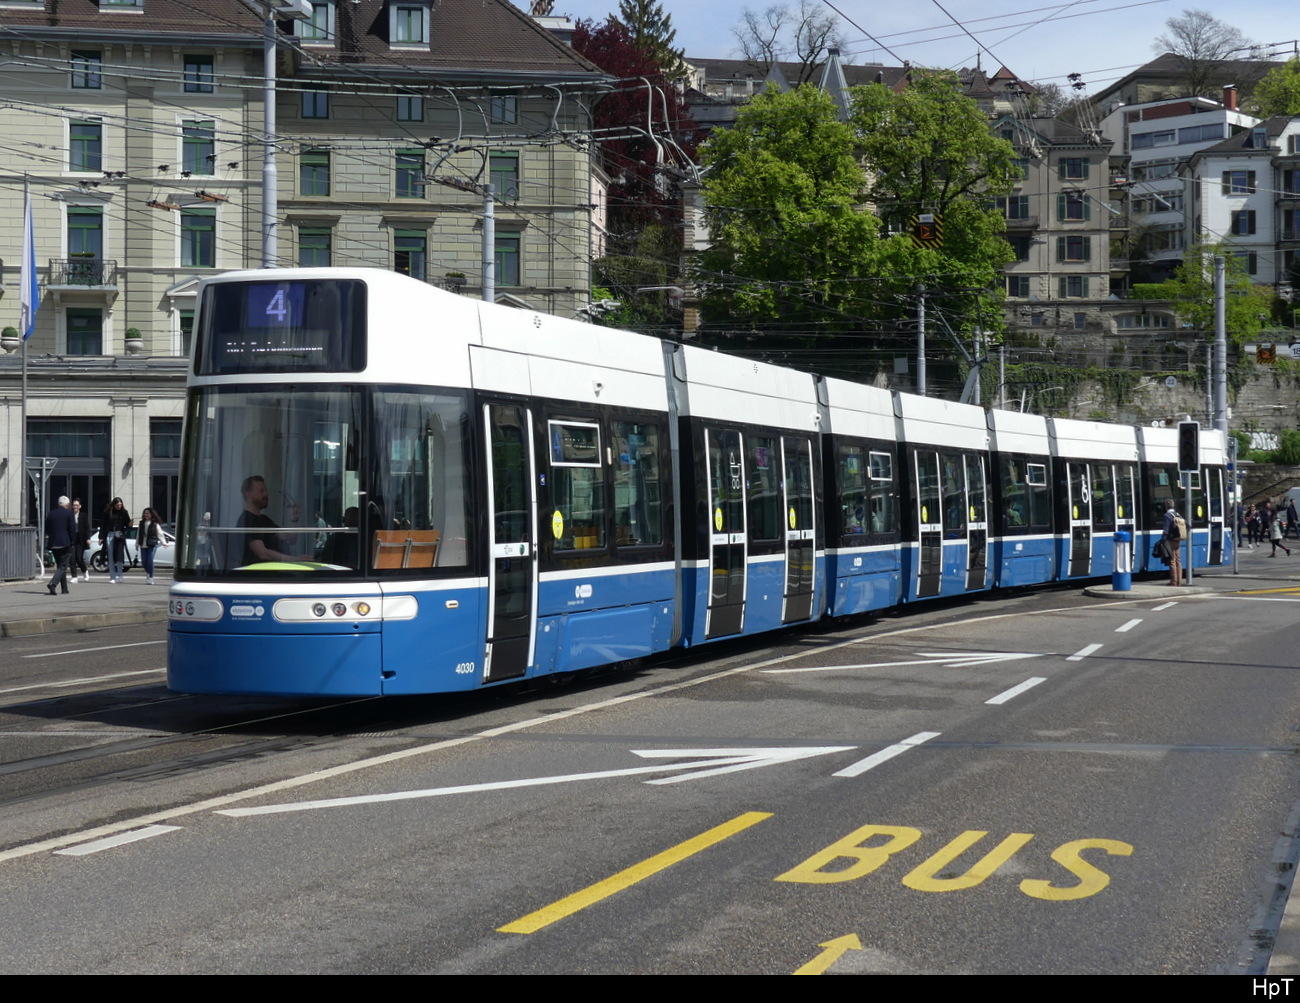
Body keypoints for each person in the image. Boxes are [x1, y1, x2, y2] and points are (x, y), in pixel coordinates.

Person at [236, 475, 301, 565]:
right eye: (261, 491)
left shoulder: (265, 520)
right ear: (248, 495)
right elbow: (263, 553)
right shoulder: (246, 521)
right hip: (256, 576)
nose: (266, 494)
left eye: (266, 491)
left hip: (274, 572)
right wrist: (293, 559)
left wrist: (293, 519)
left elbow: (290, 538)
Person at [45, 495, 77, 596]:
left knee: (60, 565)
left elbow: (47, 529)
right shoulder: (69, 513)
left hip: (53, 543)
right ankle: (53, 584)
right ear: (67, 505)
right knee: (63, 566)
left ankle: (64, 589)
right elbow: (72, 529)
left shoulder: (51, 514)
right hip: (65, 543)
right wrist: (73, 541)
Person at [100, 497, 132, 583]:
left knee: (119, 556)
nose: (119, 506)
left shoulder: (124, 513)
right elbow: (103, 525)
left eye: (120, 505)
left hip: (119, 535)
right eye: (117, 505)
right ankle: (112, 576)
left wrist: (130, 524)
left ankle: (120, 574)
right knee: (110, 556)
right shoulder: (108, 513)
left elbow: (127, 524)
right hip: (110, 535)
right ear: (114, 505)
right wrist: (101, 537)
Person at [137, 506, 163, 584]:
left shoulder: (155, 524)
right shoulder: (141, 523)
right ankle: (148, 572)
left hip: (152, 544)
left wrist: (164, 542)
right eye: (145, 513)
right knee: (144, 562)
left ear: (151, 514)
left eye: (147, 513)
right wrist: (136, 544)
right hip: (143, 544)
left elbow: (160, 533)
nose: (146, 515)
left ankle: (151, 577)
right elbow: (138, 534)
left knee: (150, 560)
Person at [1162, 497, 1185, 586]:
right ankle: (1179, 581)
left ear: (1166, 506)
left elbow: (1166, 530)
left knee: (1172, 561)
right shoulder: (1178, 515)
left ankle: (1173, 581)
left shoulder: (1167, 516)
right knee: (1178, 560)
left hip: (1170, 540)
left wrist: (1163, 539)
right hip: (1178, 540)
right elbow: (1187, 526)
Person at [71, 497, 91, 581]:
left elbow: (87, 527)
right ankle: (74, 576)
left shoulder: (83, 515)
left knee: (79, 558)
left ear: (80, 506)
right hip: (72, 539)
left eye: (77, 505)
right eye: (74, 505)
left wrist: (88, 538)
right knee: (72, 559)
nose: (75, 507)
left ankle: (84, 570)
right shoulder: (70, 515)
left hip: (80, 539)